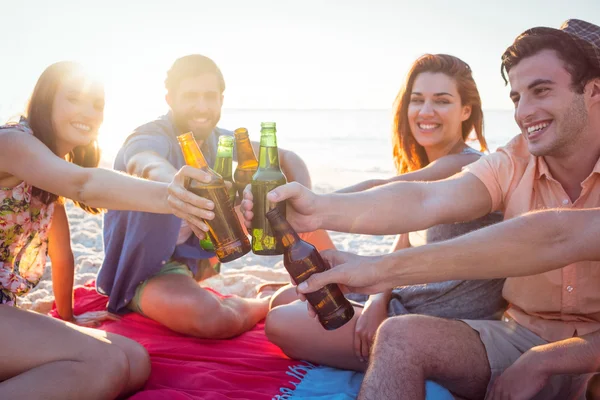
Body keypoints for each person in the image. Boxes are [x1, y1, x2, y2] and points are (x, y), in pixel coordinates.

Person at [241, 19, 600, 400]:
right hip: (519, 334)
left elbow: (555, 235)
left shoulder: (467, 155)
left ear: (594, 90)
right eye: (516, 98)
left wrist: (548, 360)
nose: (524, 112)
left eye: (541, 91)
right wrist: (316, 209)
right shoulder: (512, 160)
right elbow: (425, 198)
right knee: (398, 334)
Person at [263, 54, 505, 370]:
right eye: (417, 100)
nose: (426, 111)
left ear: (466, 110)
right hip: (406, 296)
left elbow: (381, 184)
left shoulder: (469, 164)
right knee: (281, 299)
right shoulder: (426, 168)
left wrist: (304, 204)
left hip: (439, 316)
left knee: (280, 322)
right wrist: (378, 297)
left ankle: (392, 357)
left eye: (441, 101)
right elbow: (403, 245)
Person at [0, 61, 214, 399]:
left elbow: (62, 252)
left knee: (133, 359)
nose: (89, 111)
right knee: (105, 366)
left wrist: (68, 316)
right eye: (73, 99)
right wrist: (173, 196)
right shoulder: (11, 144)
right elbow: (84, 184)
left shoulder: (46, 171)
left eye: (97, 105)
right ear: (45, 100)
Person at [97, 54, 333, 339]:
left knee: (301, 210)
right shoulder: (150, 135)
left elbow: (286, 157)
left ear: (221, 99)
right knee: (211, 319)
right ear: (170, 99)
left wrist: (300, 199)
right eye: (191, 96)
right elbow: (143, 161)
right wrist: (171, 181)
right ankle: (268, 301)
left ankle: (333, 282)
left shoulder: (217, 138)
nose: (202, 106)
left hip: (198, 256)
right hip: (147, 268)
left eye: (210, 96)